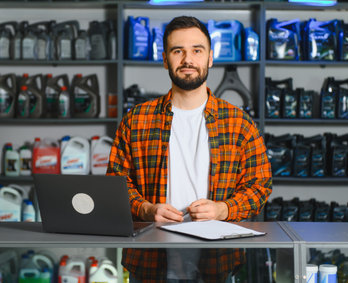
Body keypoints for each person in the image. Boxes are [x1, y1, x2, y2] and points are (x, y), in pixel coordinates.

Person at [107, 16, 272, 283]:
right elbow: (115, 184)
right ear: (165, 60)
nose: (187, 59)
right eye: (177, 51)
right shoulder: (136, 120)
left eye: (197, 50)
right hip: (150, 261)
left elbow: (260, 186)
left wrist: (224, 210)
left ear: (210, 58)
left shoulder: (239, 122)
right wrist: (147, 209)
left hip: (219, 260)